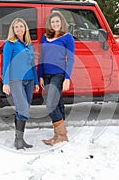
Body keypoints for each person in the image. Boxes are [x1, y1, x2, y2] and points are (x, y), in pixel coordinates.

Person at [2, 18, 39, 150]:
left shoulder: (29, 44)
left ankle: (19, 139)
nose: (19, 29)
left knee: (23, 109)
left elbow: (32, 64)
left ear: (25, 28)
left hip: (29, 80)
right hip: (16, 80)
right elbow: (6, 64)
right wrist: (5, 83)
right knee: (22, 107)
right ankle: (18, 140)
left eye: (21, 26)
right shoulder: (10, 44)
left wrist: (35, 81)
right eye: (16, 27)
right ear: (13, 29)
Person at [39, 11, 75, 145]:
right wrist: (41, 75)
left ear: (62, 23)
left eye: (57, 21)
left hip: (58, 74)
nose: (55, 24)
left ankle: (62, 135)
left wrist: (67, 78)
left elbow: (70, 59)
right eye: (53, 22)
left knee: (50, 104)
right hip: (46, 75)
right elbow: (42, 57)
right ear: (50, 23)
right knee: (58, 103)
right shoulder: (44, 37)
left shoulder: (67, 37)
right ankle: (58, 136)